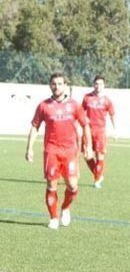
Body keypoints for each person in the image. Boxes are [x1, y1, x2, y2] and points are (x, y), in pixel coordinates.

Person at [25, 72, 91, 229]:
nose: (56, 86)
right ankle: (53, 217)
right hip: (51, 151)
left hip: (70, 151)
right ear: (50, 85)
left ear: (65, 86)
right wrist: (29, 148)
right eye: (54, 83)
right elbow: (35, 127)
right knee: (51, 185)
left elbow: (85, 124)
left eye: (60, 83)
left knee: (73, 186)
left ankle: (66, 208)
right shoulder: (43, 106)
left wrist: (88, 146)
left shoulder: (74, 105)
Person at [81, 74, 116, 188]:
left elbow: (112, 115)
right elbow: (81, 113)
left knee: (99, 155)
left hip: (100, 131)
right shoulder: (87, 98)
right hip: (88, 131)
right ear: (93, 85)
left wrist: (115, 130)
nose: (98, 86)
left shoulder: (107, 100)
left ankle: (97, 181)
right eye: (96, 84)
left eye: (100, 84)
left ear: (104, 85)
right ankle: (98, 174)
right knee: (87, 155)